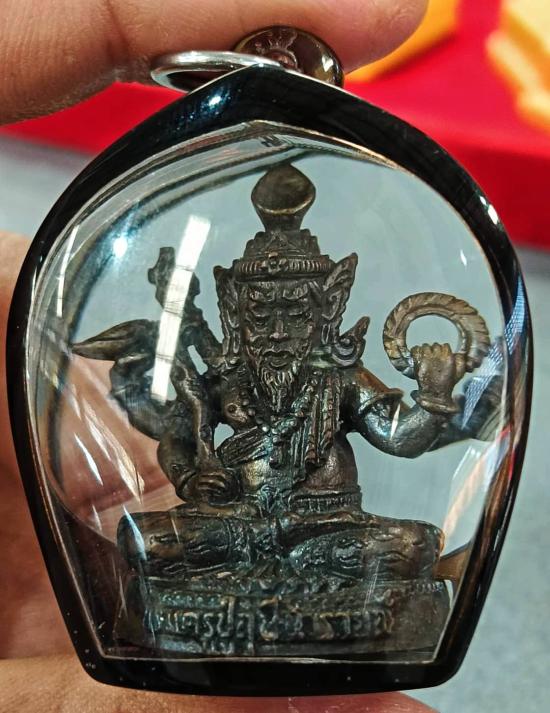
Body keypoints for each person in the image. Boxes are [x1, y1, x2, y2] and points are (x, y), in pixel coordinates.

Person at [0, 0, 437, 709]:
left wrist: (439, 397)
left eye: (294, 311)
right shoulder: (229, 376)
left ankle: (293, 589)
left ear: (327, 306)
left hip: (332, 528)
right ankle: (283, 594)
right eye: (261, 312)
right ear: (236, 309)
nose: (277, 326)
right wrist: (184, 454)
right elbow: (182, 431)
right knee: (146, 542)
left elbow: (398, 433)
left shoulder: (338, 375)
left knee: (409, 546)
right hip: (236, 525)